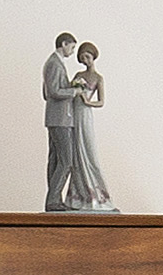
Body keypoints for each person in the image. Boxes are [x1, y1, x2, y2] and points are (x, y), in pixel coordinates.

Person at [38, 32, 116, 214]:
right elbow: (52, 91)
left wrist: (82, 97)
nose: (73, 54)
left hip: (72, 117)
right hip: (63, 118)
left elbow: (99, 101)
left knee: (59, 159)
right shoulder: (54, 64)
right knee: (65, 161)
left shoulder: (94, 76)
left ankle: (55, 199)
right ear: (64, 44)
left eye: (84, 56)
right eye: (72, 48)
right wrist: (73, 91)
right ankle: (53, 200)